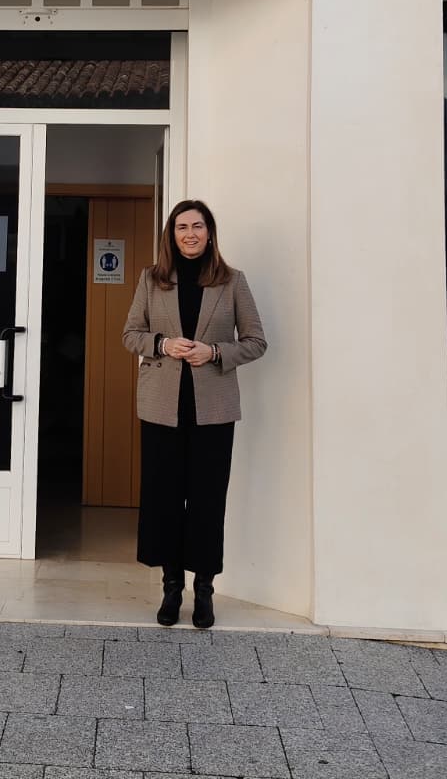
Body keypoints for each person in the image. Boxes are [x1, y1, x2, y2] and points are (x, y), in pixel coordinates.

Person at [121, 199, 267, 628]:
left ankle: (204, 591)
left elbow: (257, 341)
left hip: (214, 412)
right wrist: (163, 344)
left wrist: (216, 352)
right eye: (182, 227)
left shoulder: (232, 281)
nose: (190, 234)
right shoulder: (151, 279)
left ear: (209, 232)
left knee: (206, 501)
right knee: (164, 499)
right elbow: (131, 334)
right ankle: (171, 589)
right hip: (161, 408)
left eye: (197, 226)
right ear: (172, 234)